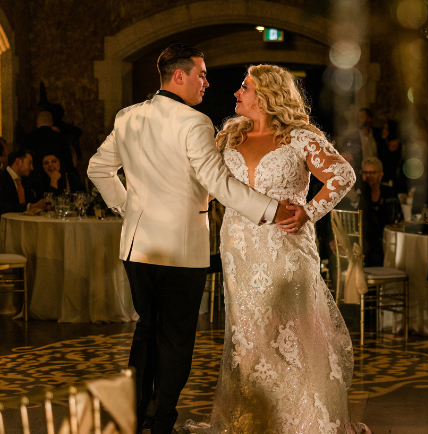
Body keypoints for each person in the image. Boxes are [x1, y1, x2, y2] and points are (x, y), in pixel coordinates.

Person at [88, 44, 293, 434]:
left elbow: (98, 169)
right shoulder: (194, 122)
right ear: (178, 76)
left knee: (148, 328)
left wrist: (127, 208)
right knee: (177, 337)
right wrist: (271, 208)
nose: (207, 82)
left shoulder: (127, 117)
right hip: (181, 251)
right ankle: (162, 419)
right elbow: (217, 183)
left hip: (137, 246)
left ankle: (137, 414)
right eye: (201, 74)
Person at [187, 64, 364, 434]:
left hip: (286, 246)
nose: (236, 93)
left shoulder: (298, 137)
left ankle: (303, 423)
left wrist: (308, 211)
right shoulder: (228, 137)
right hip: (238, 248)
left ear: (267, 95)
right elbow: (206, 185)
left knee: (291, 331)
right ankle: (253, 421)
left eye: (244, 87)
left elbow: (342, 175)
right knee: (249, 336)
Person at [358, 157, 402, 266]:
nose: (368, 176)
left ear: (380, 175)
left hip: (388, 242)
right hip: (363, 244)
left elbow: (399, 218)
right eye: (365, 172)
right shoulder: (358, 195)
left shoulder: (389, 193)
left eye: (372, 172)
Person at [0, 149, 50, 216]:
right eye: (30, 163)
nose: (32, 168)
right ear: (18, 161)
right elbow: (2, 206)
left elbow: (32, 201)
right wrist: (30, 206)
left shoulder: (24, 181)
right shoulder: (2, 178)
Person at [340, 108, 379, 175]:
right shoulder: (351, 138)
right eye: (357, 117)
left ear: (369, 119)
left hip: (376, 174)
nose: (358, 120)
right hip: (360, 174)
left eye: (361, 117)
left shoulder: (378, 135)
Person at [377, 120, 403, 191]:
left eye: (387, 129)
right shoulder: (382, 143)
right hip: (383, 178)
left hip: (392, 180)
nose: (384, 131)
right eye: (383, 128)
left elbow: (391, 164)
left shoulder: (394, 146)